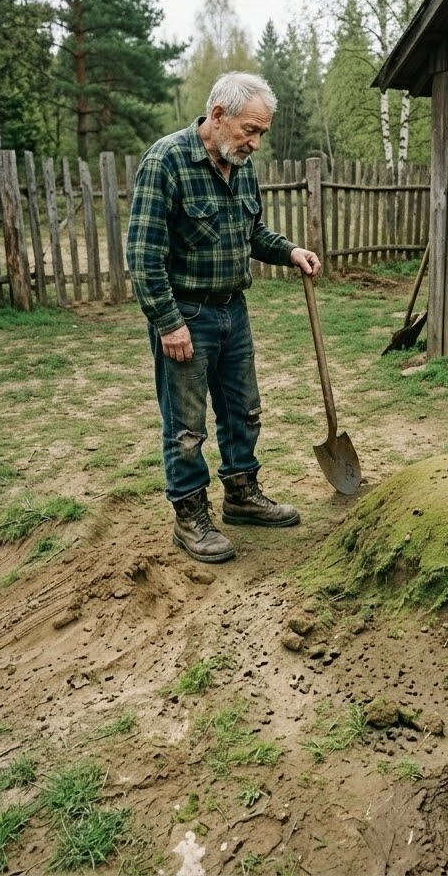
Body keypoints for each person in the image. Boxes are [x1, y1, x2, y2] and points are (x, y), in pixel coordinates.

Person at [126, 72, 322, 564]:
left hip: (233, 310)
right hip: (186, 315)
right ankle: (190, 516)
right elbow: (144, 256)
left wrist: (290, 250)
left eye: (261, 133)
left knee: (243, 410)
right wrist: (168, 322)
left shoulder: (241, 166)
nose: (255, 143)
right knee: (186, 426)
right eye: (250, 130)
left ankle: (242, 495)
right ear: (218, 116)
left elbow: (252, 234)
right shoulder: (166, 161)